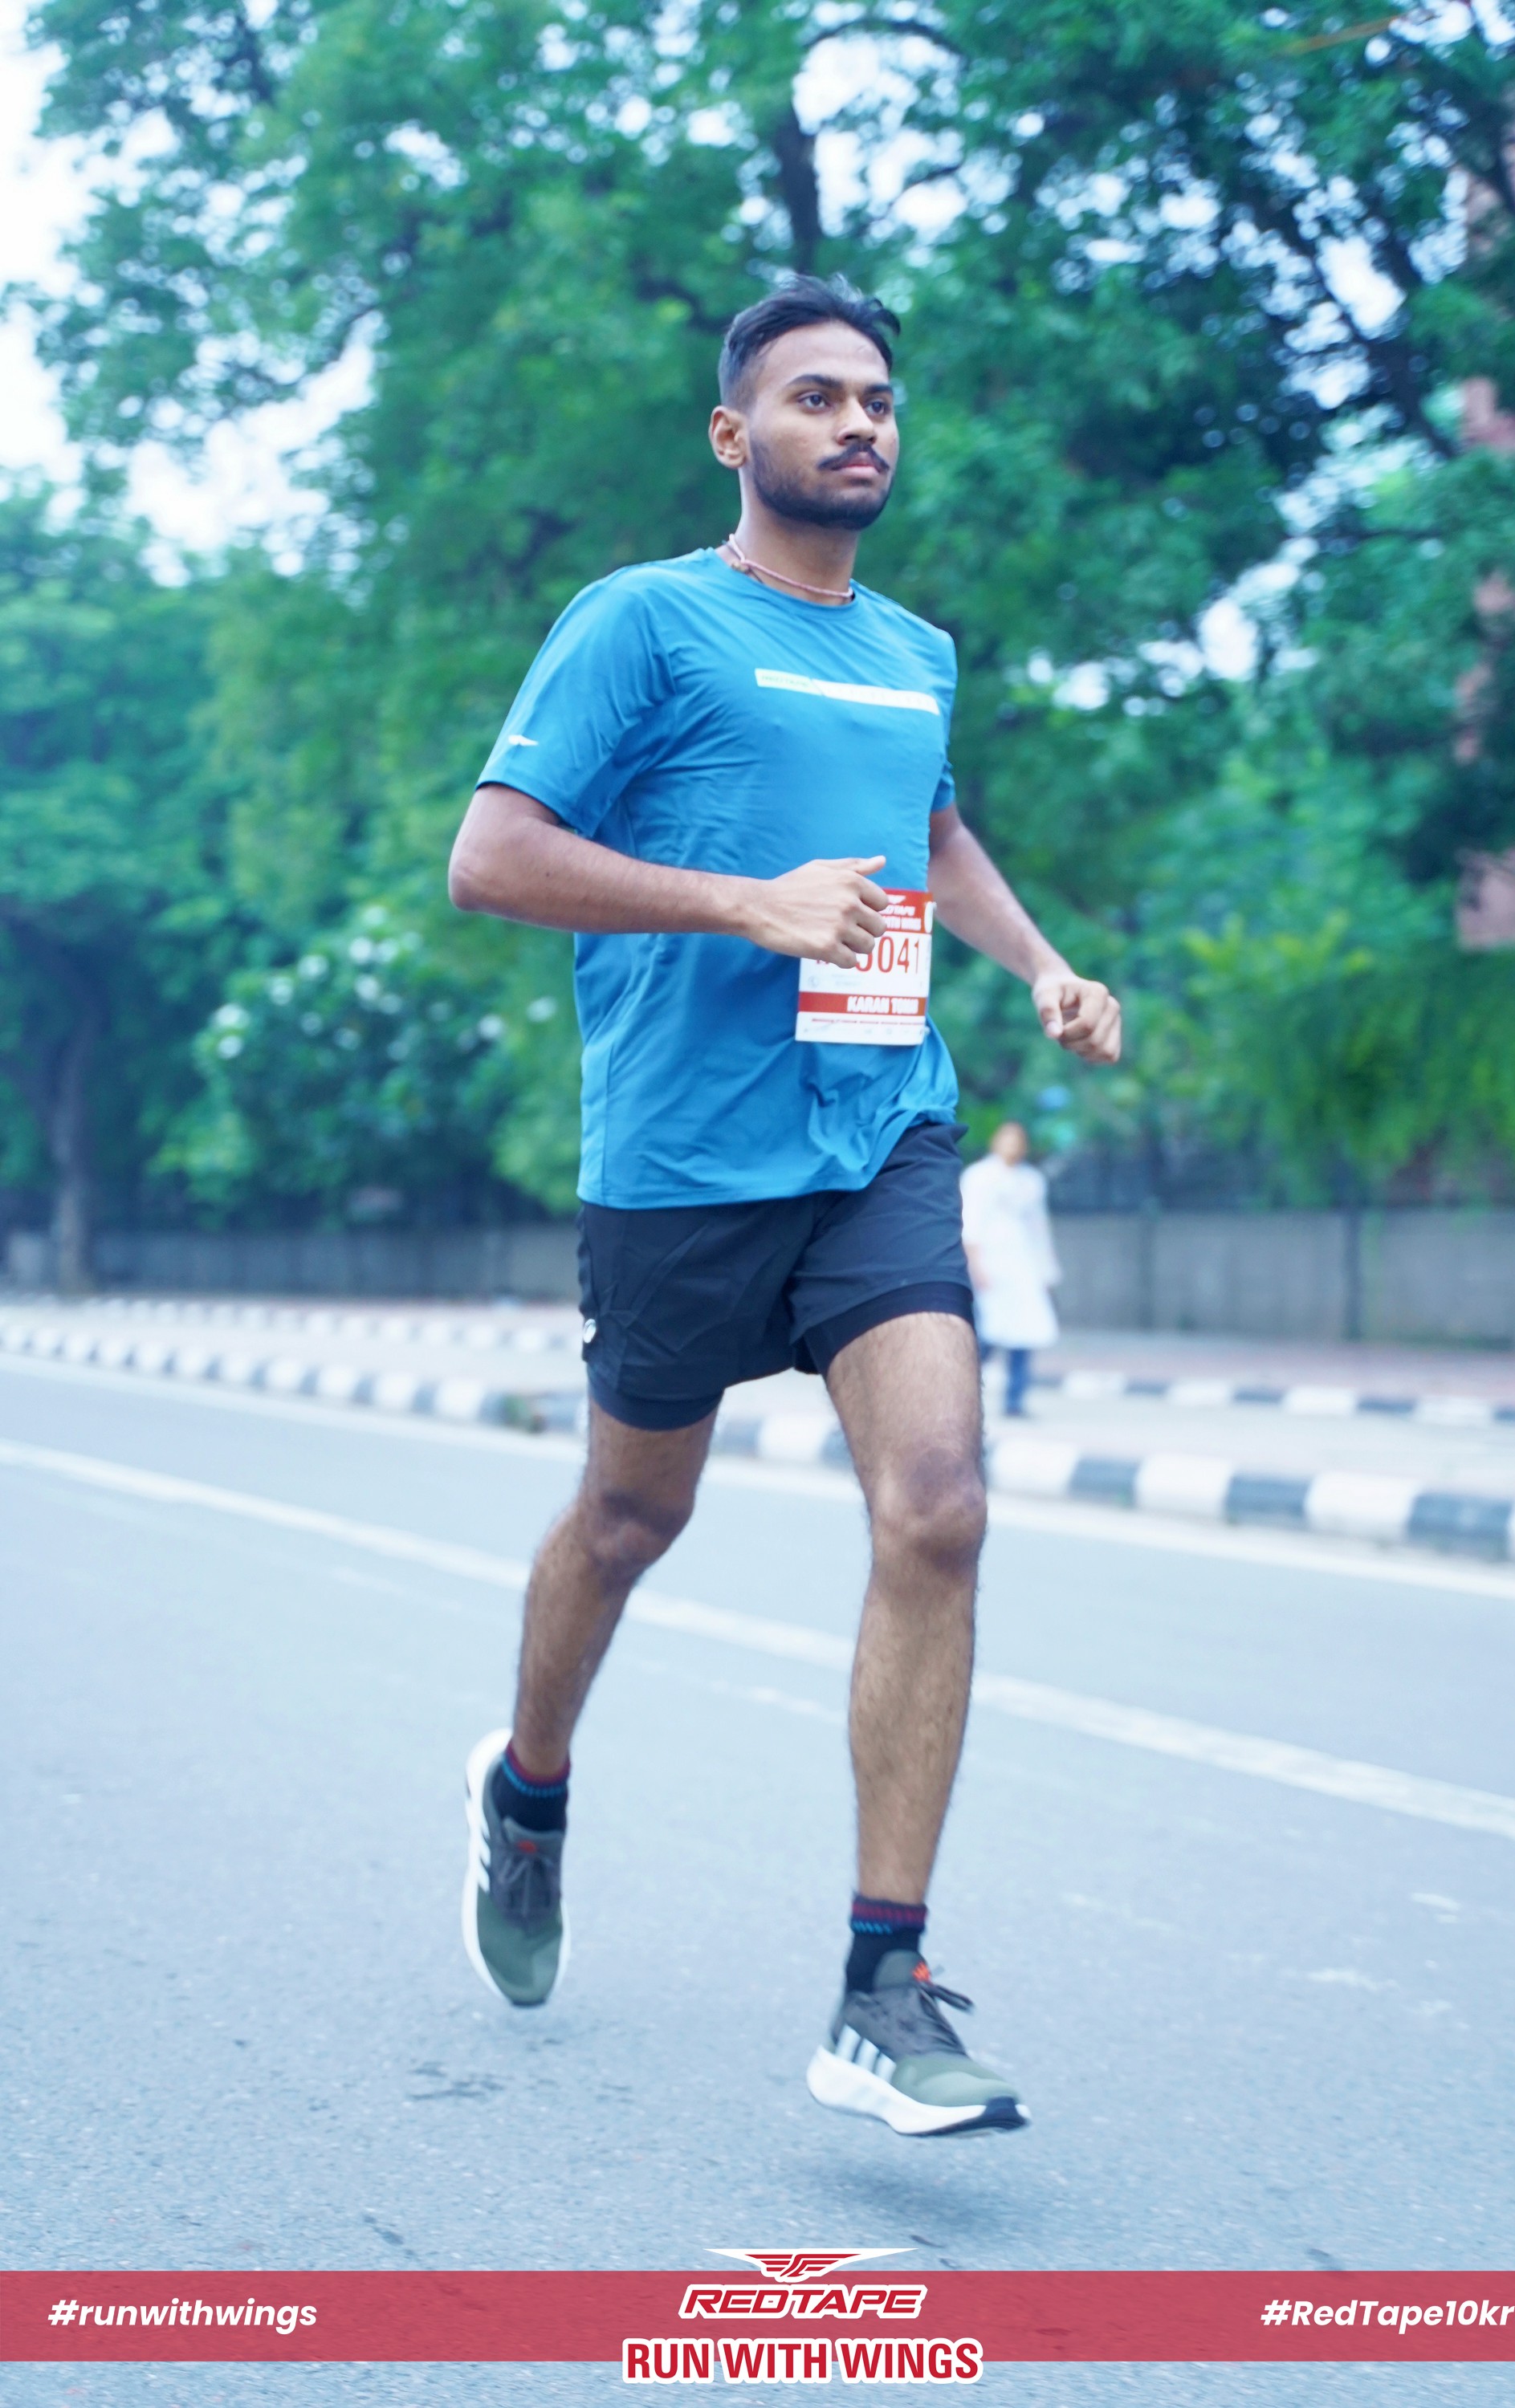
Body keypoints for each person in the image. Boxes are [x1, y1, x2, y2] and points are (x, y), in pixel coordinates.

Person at [447, 273, 1121, 2138]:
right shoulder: (642, 622)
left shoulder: (913, 652)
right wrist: (743, 904)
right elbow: (489, 857)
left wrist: (1041, 964)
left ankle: (879, 1986)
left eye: (877, 399)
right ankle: (527, 1789)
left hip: (877, 1129)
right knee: (627, 1515)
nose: (858, 423)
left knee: (939, 1502)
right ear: (732, 432)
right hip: (681, 1159)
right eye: (816, 396)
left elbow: (928, 829)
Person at [961, 1122, 1061, 1418]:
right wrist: (975, 1265)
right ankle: (959, 1394)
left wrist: (1046, 1271)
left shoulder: (1031, 1180)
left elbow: (1039, 1228)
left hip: (1024, 1264)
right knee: (989, 1334)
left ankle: (1014, 1399)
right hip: (991, 1263)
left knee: (1026, 1331)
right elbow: (970, 1222)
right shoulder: (979, 1176)